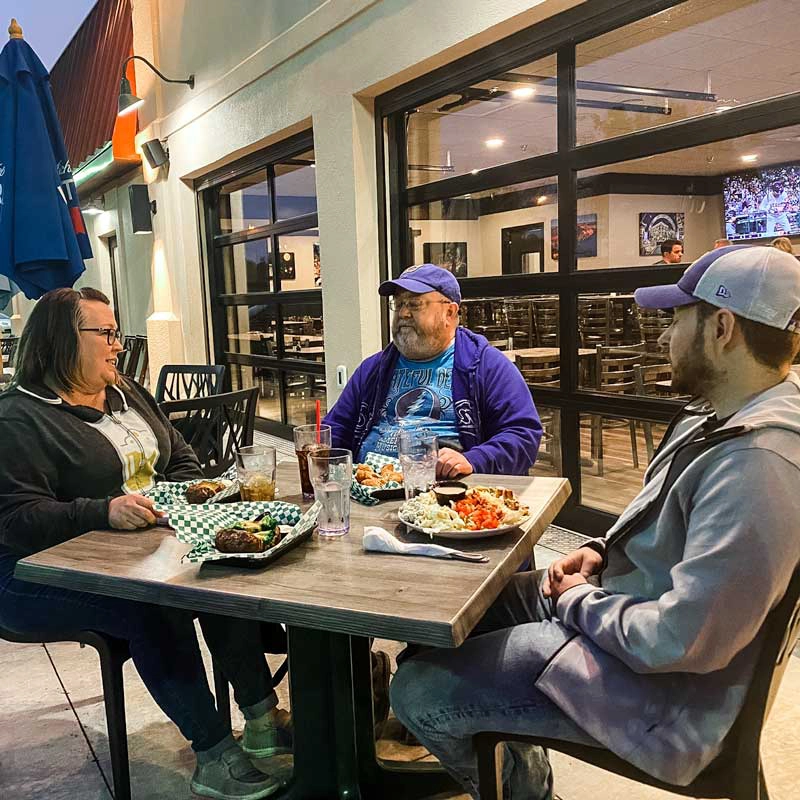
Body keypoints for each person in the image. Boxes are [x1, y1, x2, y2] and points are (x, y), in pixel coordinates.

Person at [390, 246, 800, 800]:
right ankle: (513, 753)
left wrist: (578, 600)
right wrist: (603, 552)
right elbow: (663, 523)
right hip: (623, 612)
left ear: (722, 327)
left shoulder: (760, 463)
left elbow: (682, 641)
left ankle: (526, 790)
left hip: (665, 697)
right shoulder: (717, 416)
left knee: (417, 690)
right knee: (459, 614)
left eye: (677, 319)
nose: (662, 339)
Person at [0, 288, 289, 800]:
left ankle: (263, 721)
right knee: (153, 607)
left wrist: (190, 498)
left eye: (117, 333)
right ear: (64, 341)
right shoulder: (18, 418)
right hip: (29, 578)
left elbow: (178, 458)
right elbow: (17, 520)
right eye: (105, 334)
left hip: (139, 548)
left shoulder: (126, 391)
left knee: (222, 572)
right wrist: (103, 510)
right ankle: (213, 752)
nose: (118, 344)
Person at [324, 264, 542, 478]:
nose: (403, 313)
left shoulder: (486, 365)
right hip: (369, 492)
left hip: (446, 499)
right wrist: (320, 450)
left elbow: (523, 435)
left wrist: (474, 459)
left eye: (415, 304)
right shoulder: (373, 369)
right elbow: (336, 428)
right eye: (398, 303)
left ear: (449, 312)